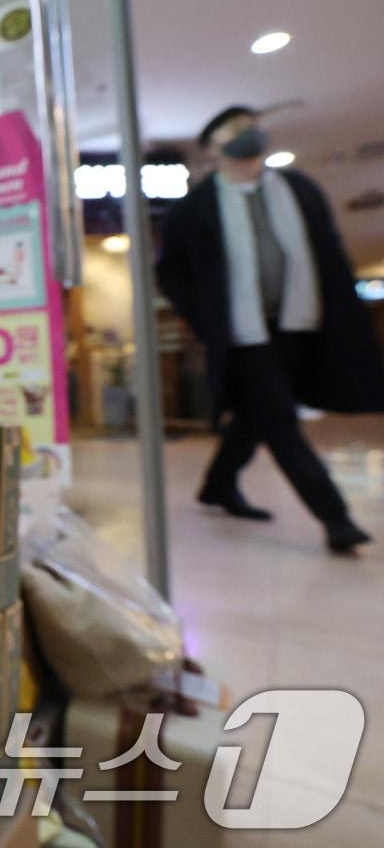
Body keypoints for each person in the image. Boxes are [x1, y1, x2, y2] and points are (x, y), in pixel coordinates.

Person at [156, 106, 384, 554]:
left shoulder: (298, 189)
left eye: (251, 126)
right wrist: (205, 318)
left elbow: (328, 250)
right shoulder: (194, 209)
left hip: (297, 323)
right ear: (214, 148)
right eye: (235, 130)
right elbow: (171, 273)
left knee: (255, 414)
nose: (249, 135)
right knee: (279, 419)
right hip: (244, 334)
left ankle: (218, 485)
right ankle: (335, 518)